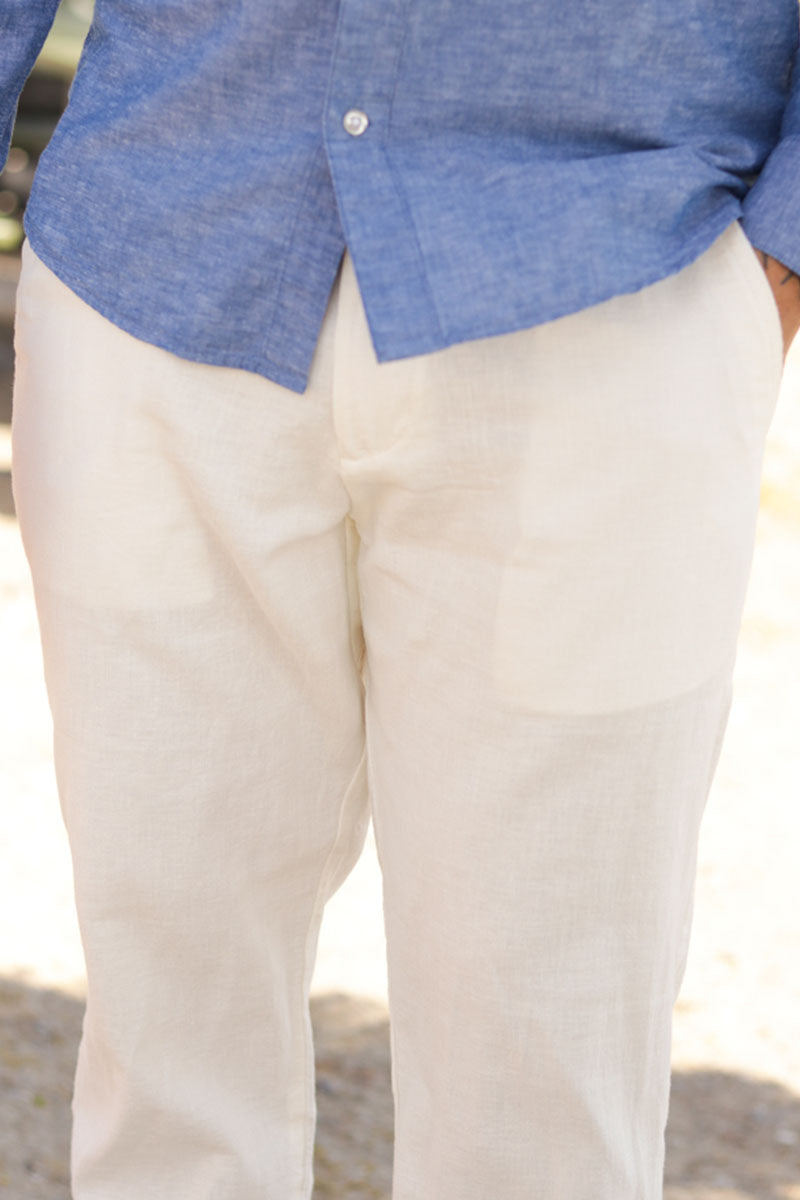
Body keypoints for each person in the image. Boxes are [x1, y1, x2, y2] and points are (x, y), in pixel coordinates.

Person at [3, 2, 800, 1197]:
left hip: (615, 273)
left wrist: (780, 247)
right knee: (167, 1034)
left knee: (544, 1067)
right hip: (158, 259)